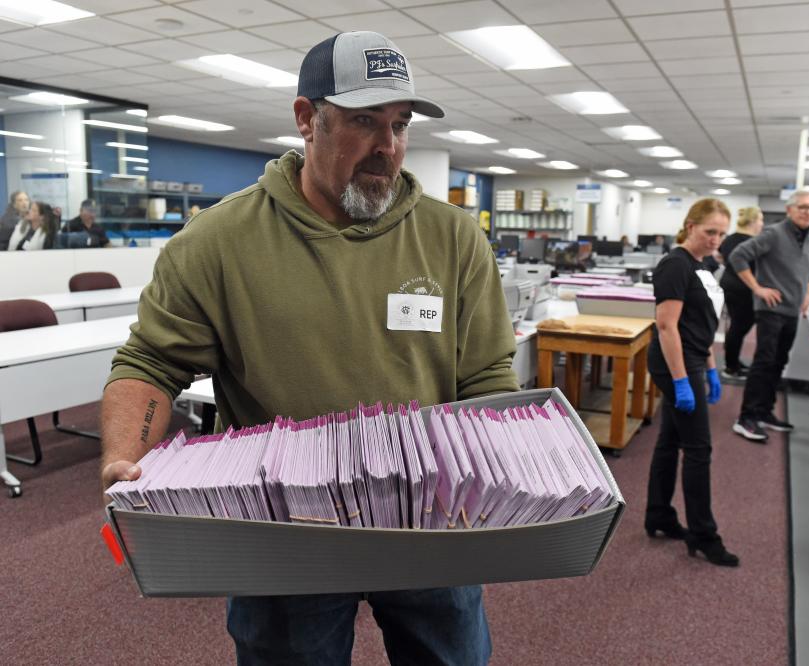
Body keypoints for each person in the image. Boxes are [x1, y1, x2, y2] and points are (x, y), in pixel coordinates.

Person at [99, 31, 518, 666]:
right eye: (364, 122)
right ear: (306, 119)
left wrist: (498, 482)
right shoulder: (217, 241)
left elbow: (487, 374)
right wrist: (123, 458)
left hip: (431, 522)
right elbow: (151, 363)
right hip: (285, 531)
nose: (388, 146)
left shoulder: (454, 238)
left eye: (400, 125)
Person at [644, 198, 738, 567]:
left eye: (722, 233)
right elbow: (667, 327)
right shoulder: (675, 264)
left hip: (695, 360)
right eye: (710, 231)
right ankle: (704, 535)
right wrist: (683, 380)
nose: (716, 239)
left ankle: (659, 515)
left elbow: (701, 322)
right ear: (690, 226)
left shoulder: (703, 266)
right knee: (699, 448)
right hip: (675, 364)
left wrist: (711, 364)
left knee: (671, 441)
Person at [730, 186, 809, 442]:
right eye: (803, 207)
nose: (808, 212)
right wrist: (757, 288)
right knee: (764, 362)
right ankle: (746, 417)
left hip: (792, 310)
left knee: (779, 362)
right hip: (770, 310)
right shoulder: (774, 233)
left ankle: (764, 411)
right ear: (790, 209)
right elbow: (738, 256)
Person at [719, 206, 763, 379]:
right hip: (742, 288)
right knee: (739, 326)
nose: (761, 224)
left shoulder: (730, 239)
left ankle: (733, 361)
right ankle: (731, 367)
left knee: (737, 326)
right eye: (760, 220)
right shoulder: (751, 242)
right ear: (752, 221)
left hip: (730, 285)